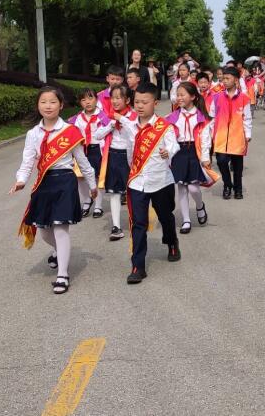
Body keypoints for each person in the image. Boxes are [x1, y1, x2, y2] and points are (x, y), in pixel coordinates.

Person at [9, 87, 97, 295]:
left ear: (61, 105)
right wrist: (21, 180)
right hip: (44, 183)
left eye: (52, 102)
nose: (48, 106)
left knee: (60, 228)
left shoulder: (70, 131)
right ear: (38, 105)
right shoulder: (33, 134)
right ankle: (58, 250)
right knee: (45, 231)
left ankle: (63, 275)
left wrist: (92, 185)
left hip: (65, 181)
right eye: (43, 102)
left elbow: (82, 161)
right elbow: (28, 161)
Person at [122, 82, 182, 284]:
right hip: (137, 182)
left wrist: (168, 152)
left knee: (165, 216)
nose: (140, 106)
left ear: (155, 103)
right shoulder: (130, 126)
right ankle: (138, 266)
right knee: (138, 223)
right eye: (137, 102)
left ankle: (171, 242)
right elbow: (129, 152)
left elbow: (174, 145)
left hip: (161, 181)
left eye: (145, 102)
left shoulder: (164, 127)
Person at [166, 81, 217, 233]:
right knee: (181, 188)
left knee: (194, 188)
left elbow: (206, 139)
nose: (179, 98)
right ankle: (186, 220)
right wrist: (168, 154)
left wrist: (206, 157)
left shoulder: (202, 117)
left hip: (195, 153)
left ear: (193, 97)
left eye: (182, 95)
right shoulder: (172, 117)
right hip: (179, 153)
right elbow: (168, 139)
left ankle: (200, 206)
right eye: (177, 95)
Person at [93, 85, 137, 241]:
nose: (115, 101)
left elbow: (136, 134)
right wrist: (111, 125)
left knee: (133, 191)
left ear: (128, 100)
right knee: (114, 192)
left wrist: (122, 120)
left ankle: (136, 221)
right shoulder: (109, 116)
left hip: (129, 158)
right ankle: (116, 227)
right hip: (112, 156)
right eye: (112, 98)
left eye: (119, 98)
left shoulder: (134, 116)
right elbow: (97, 135)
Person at [209, 69, 252, 200]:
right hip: (221, 136)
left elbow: (247, 117)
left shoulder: (244, 98)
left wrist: (248, 133)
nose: (225, 81)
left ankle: (238, 189)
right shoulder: (217, 97)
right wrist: (211, 133)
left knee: (237, 166)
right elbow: (212, 117)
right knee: (221, 162)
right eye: (223, 78)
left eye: (228, 78)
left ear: (236, 80)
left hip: (237, 136)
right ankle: (227, 185)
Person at [69, 88, 106, 218]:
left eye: (90, 98)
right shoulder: (77, 118)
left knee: (98, 177)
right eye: (83, 100)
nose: (87, 102)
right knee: (80, 177)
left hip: (98, 150)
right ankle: (86, 200)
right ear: (80, 103)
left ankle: (98, 206)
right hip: (82, 150)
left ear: (96, 99)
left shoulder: (103, 116)